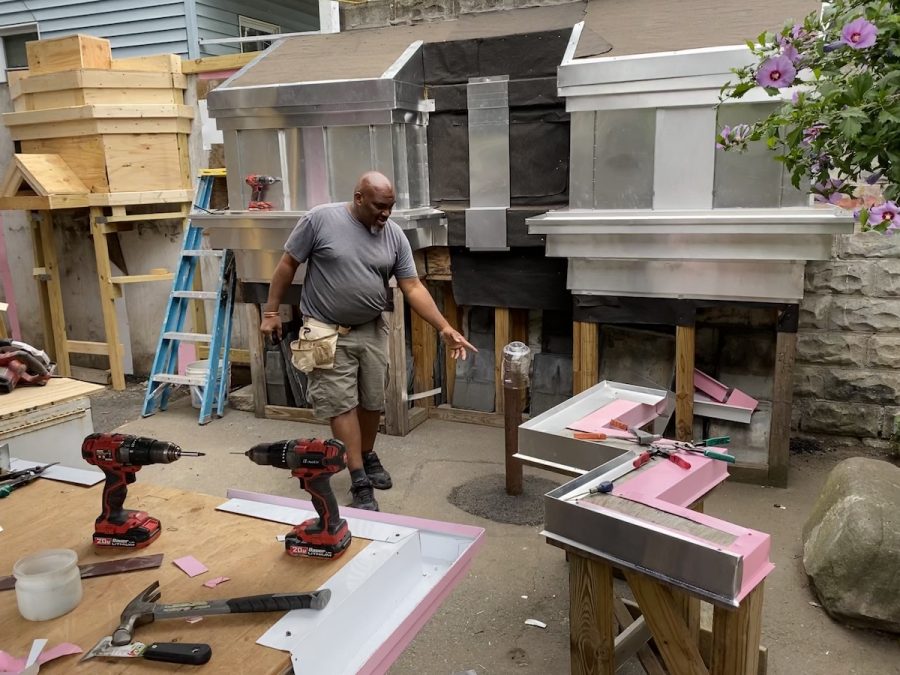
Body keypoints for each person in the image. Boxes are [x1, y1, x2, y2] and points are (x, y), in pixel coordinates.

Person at [260, 171, 476, 511]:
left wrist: (443, 327)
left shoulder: (393, 236)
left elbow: (413, 286)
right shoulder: (320, 220)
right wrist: (271, 312)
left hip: (372, 328)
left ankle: (366, 452)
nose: (385, 214)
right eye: (379, 206)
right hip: (324, 329)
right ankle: (359, 477)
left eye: (390, 207)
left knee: (373, 401)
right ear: (359, 197)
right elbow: (288, 264)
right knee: (340, 403)